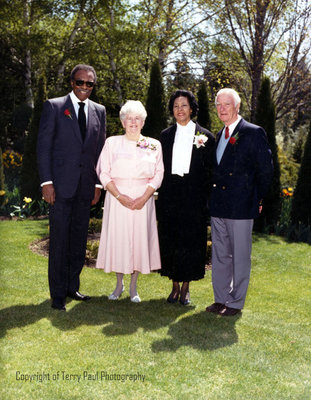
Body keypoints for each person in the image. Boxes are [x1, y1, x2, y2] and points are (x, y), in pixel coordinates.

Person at [37, 64, 106, 311]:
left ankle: (72, 287)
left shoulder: (100, 110)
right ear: (71, 82)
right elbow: (44, 147)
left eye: (90, 84)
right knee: (59, 242)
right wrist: (47, 182)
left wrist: (98, 184)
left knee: (78, 241)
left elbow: (99, 151)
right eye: (80, 82)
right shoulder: (54, 107)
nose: (85, 88)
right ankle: (57, 295)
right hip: (60, 187)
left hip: (86, 188)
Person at [206, 88, 273, 316]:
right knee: (220, 255)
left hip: (242, 206)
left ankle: (235, 303)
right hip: (219, 206)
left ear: (237, 106)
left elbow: (265, 170)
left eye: (227, 104)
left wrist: (257, 198)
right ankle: (220, 298)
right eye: (218, 105)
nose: (222, 109)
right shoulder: (218, 135)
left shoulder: (253, 133)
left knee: (240, 257)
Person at [95, 100, 164, 303]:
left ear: (143, 122)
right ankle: (119, 285)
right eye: (129, 119)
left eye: (137, 119)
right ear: (123, 122)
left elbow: (159, 174)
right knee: (119, 241)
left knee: (138, 241)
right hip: (118, 199)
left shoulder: (154, 145)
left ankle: (133, 287)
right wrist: (118, 196)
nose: (133, 122)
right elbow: (103, 172)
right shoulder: (111, 143)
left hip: (144, 200)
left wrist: (144, 197)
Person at [157, 90, 215, 305]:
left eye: (184, 105)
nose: (180, 110)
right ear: (172, 110)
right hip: (170, 196)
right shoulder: (165, 135)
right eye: (175, 106)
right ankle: (173, 286)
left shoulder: (205, 137)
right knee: (171, 240)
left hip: (193, 198)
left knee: (191, 242)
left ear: (192, 108)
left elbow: (210, 172)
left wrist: (205, 200)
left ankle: (186, 287)